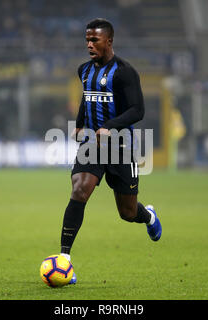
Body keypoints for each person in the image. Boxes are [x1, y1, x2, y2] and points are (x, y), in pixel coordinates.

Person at [59, 18, 162, 284]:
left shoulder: (125, 72)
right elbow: (87, 98)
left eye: (95, 40)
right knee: (80, 189)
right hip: (92, 144)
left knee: (128, 213)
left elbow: (137, 110)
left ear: (109, 41)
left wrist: (109, 126)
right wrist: (80, 126)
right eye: (87, 40)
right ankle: (64, 261)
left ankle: (148, 215)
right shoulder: (83, 70)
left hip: (120, 147)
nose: (89, 44)